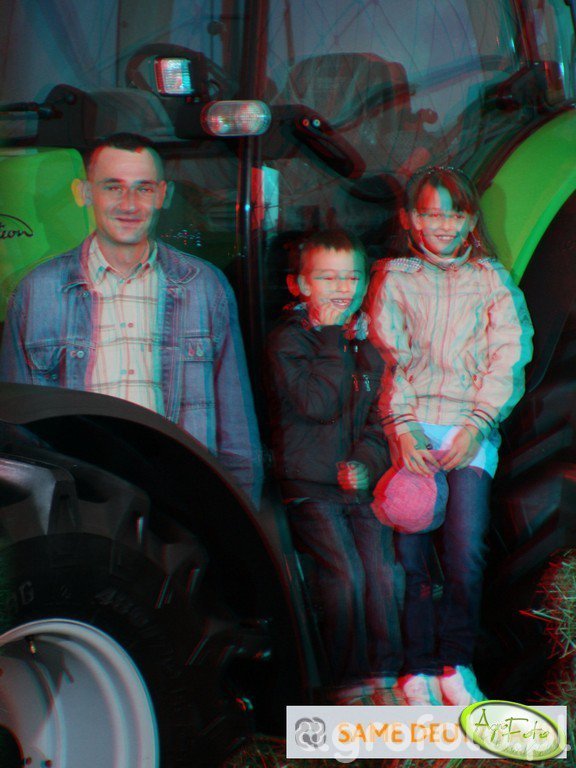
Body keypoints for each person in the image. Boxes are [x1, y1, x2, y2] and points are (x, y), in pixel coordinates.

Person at [0, 133, 262, 502]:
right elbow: (17, 431)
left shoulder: (205, 287)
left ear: (162, 195)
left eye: (143, 188)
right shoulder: (36, 292)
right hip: (83, 502)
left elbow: (236, 429)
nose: (129, 204)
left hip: (181, 500)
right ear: (84, 192)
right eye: (113, 187)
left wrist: (239, 515)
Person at [368, 166, 533, 705]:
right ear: (411, 219)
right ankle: (415, 668)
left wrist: (477, 425)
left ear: (468, 220)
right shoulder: (395, 277)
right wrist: (405, 431)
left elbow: (508, 354)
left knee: (465, 550)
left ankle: (455, 666)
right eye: (431, 213)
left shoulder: (490, 278)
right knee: (412, 553)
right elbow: (390, 358)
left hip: (469, 429)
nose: (443, 224)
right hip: (414, 427)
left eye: (454, 214)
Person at [265, 229, 402, 705]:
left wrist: (366, 463)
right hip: (309, 486)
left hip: (355, 486)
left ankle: (384, 677)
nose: (342, 288)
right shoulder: (289, 340)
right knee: (345, 576)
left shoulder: (367, 343)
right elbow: (316, 403)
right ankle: (347, 682)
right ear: (300, 285)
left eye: (352, 277)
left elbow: (378, 419)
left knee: (383, 574)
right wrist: (329, 337)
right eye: (327, 278)